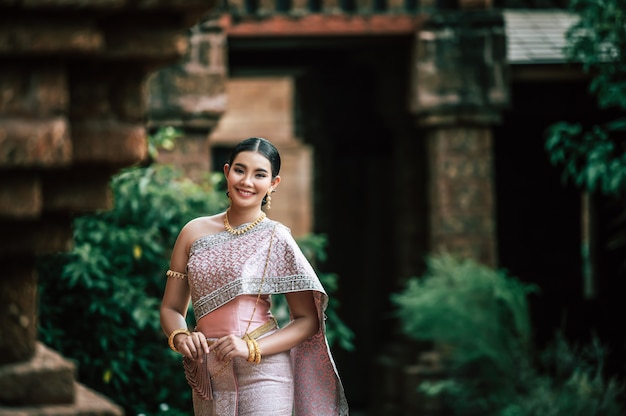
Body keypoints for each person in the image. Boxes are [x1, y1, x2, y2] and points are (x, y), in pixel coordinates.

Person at [160, 137, 349, 415]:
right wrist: (179, 335)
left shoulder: (276, 237)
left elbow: (307, 320)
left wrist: (251, 348)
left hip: (264, 371)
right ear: (226, 172)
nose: (246, 181)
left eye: (259, 174)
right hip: (209, 371)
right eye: (239, 170)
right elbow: (172, 307)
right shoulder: (193, 232)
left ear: (274, 183)